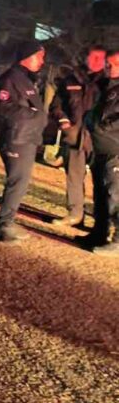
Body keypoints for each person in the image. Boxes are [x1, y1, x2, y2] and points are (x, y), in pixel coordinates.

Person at [0, 40, 48, 243]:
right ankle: (3, 226)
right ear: (28, 56)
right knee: (16, 182)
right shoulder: (11, 78)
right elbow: (3, 107)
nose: (43, 61)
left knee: (20, 183)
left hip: (27, 137)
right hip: (17, 138)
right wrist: (33, 115)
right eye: (40, 56)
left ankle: (8, 221)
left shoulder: (26, 79)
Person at [49, 45, 106, 227]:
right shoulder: (71, 80)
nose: (97, 61)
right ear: (86, 57)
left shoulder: (108, 82)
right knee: (73, 177)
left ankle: (102, 221)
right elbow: (56, 105)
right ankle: (75, 215)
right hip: (74, 136)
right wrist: (63, 120)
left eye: (100, 58)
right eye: (93, 57)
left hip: (99, 140)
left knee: (102, 181)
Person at [82, 50, 119, 255]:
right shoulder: (106, 87)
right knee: (100, 194)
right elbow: (93, 112)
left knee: (115, 195)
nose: (108, 68)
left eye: (113, 65)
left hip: (115, 149)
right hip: (100, 149)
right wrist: (91, 121)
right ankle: (99, 233)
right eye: (108, 64)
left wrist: (102, 127)